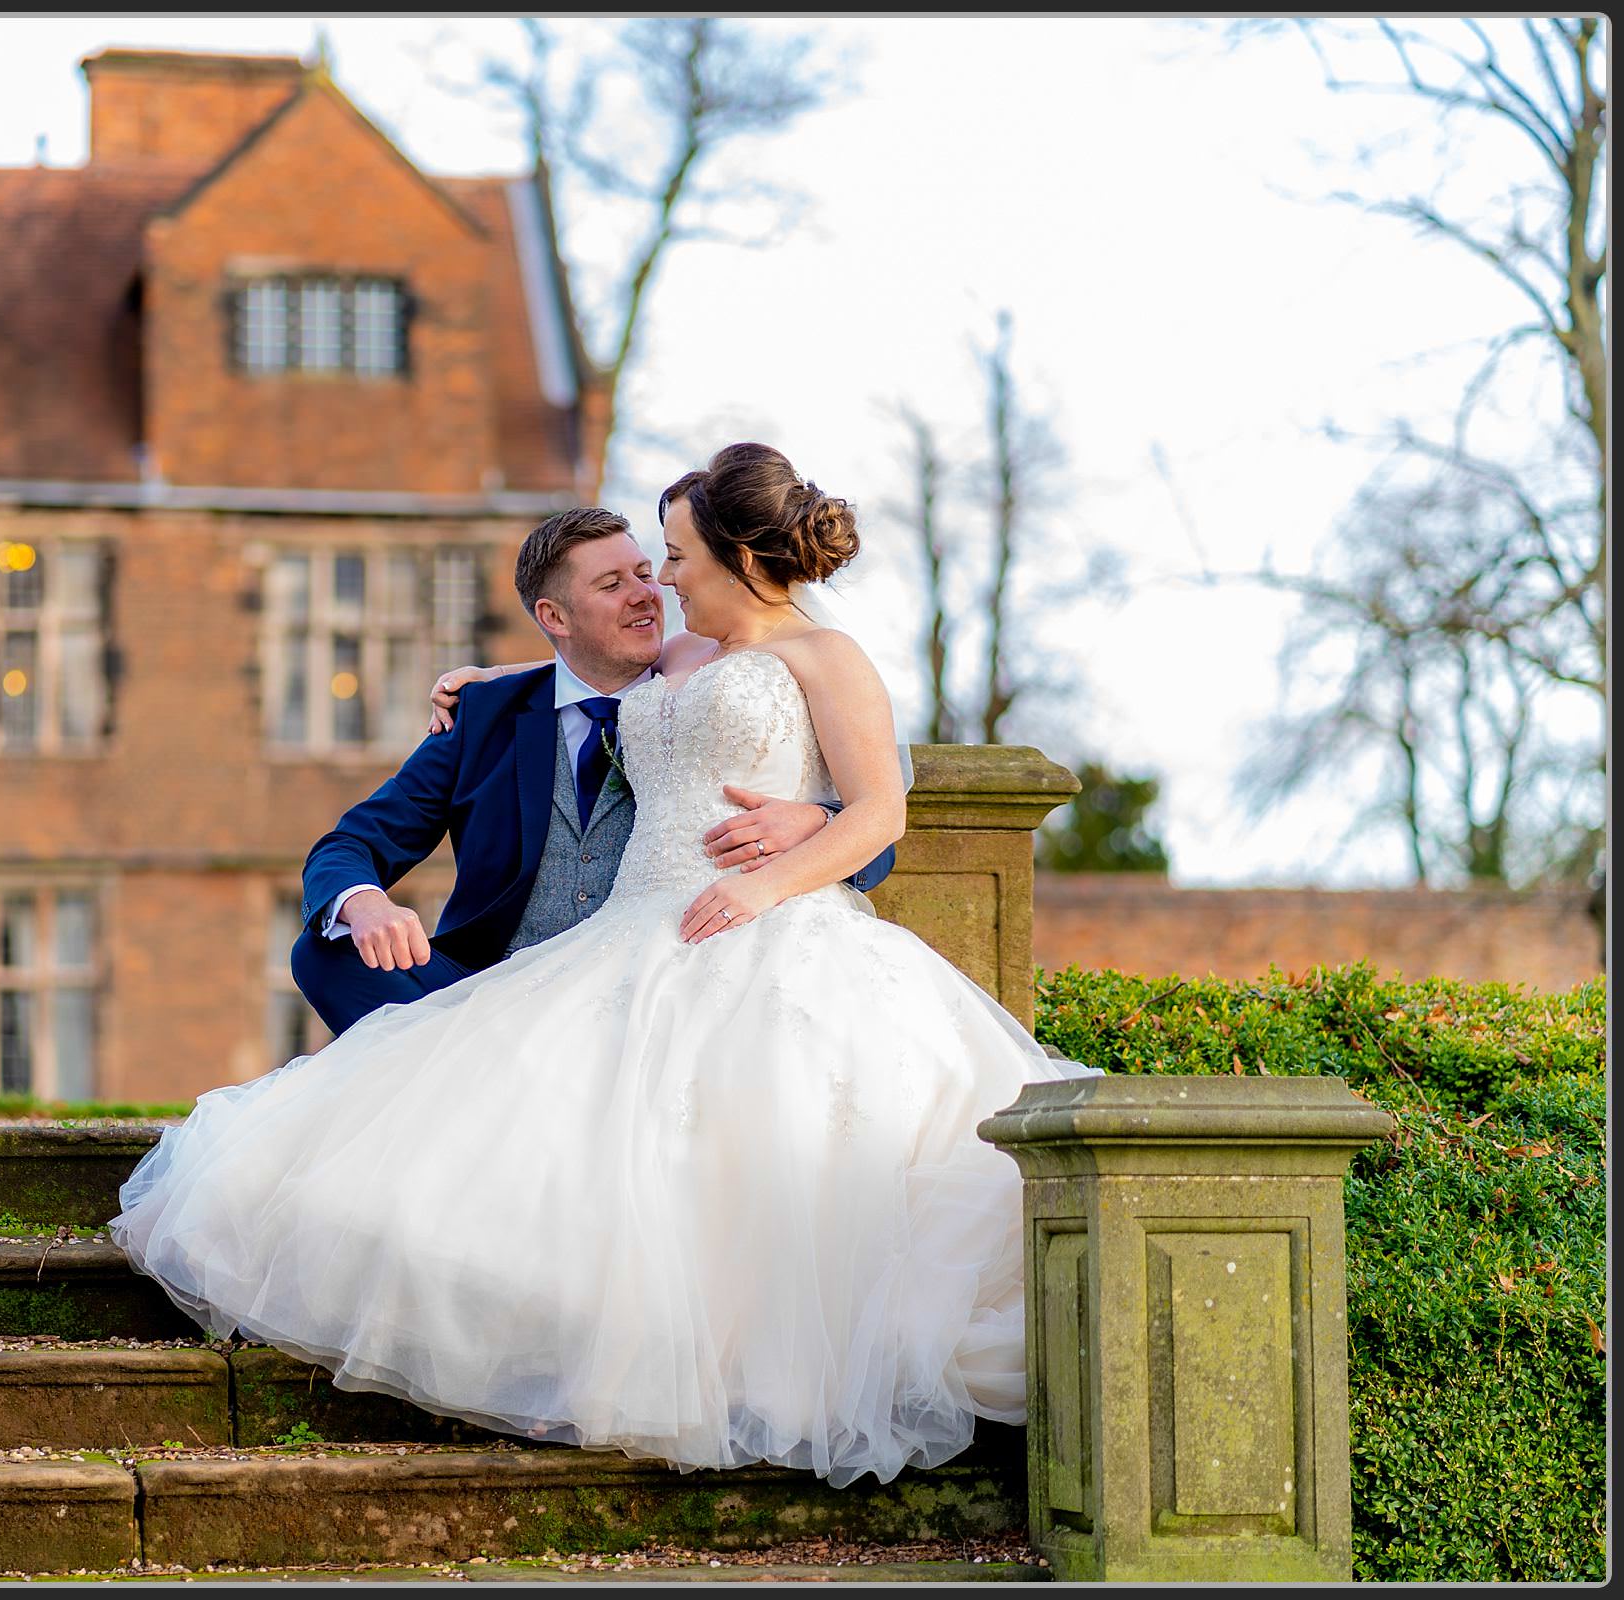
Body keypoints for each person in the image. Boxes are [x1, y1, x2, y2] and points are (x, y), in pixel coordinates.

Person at [111, 443, 1098, 1487]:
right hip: (625, 936)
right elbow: (585, 686)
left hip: (756, 930)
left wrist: (781, 863)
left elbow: (880, 812)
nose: (659, 581)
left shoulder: (828, 658)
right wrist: (489, 685)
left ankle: (751, 1370)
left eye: (667, 557)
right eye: (633, 571)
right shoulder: (677, 663)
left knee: (748, 1149)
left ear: (733, 551)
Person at [286, 504, 896, 1038]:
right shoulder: (482, 717)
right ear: (555, 617)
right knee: (324, 952)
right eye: (612, 584)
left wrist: (817, 820)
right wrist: (366, 905)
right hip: (492, 989)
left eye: (643, 571)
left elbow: (876, 838)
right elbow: (353, 842)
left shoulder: (715, 696)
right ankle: (480, 1073)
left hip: (653, 977)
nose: (647, 591)